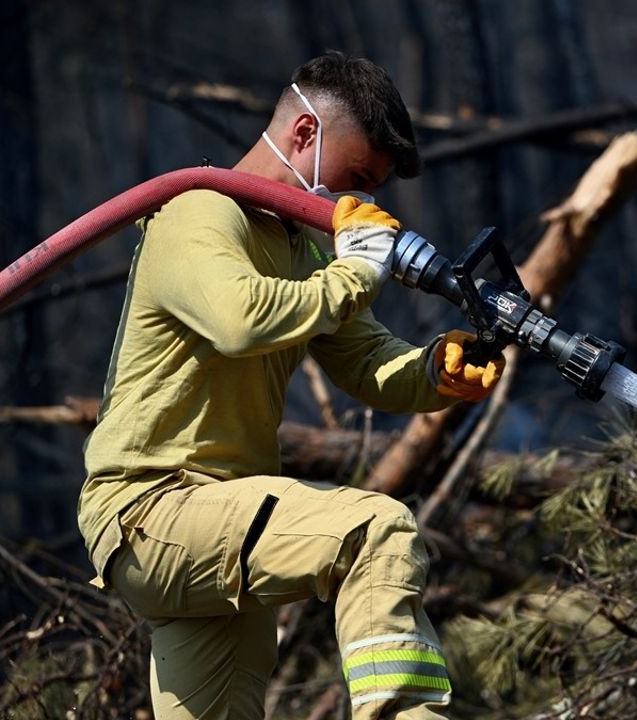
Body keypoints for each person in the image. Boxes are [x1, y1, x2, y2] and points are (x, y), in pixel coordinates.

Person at [76, 51, 503, 720]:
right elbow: (239, 319)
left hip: (216, 527)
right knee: (375, 528)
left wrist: (434, 370)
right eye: (355, 176)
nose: (356, 201)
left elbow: (365, 361)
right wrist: (356, 274)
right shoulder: (199, 212)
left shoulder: (299, 250)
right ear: (305, 133)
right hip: (152, 509)